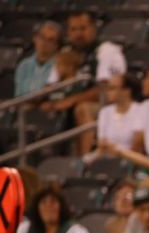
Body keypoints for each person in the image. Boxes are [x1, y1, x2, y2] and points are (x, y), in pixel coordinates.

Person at [55, 11, 128, 154]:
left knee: (82, 108)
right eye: (73, 29)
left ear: (93, 28)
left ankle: (83, 161)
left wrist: (71, 100)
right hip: (71, 103)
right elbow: (51, 85)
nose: (78, 34)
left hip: (107, 105)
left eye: (83, 28)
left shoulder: (106, 50)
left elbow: (105, 91)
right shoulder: (66, 52)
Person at [17, 188, 96, 233]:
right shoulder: (24, 230)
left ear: (61, 207)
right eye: (44, 202)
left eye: (53, 202)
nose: (48, 206)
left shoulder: (76, 232)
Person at [94, 73, 145, 153]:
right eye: (108, 88)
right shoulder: (104, 112)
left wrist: (115, 150)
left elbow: (137, 145)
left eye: (112, 88)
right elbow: (101, 143)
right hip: (108, 158)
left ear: (126, 91)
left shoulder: (141, 111)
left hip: (133, 160)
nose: (108, 92)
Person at [14, 21, 60, 98]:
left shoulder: (59, 66)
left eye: (50, 40)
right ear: (35, 38)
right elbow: (18, 97)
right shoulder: (23, 66)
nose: (44, 43)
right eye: (42, 37)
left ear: (56, 45)